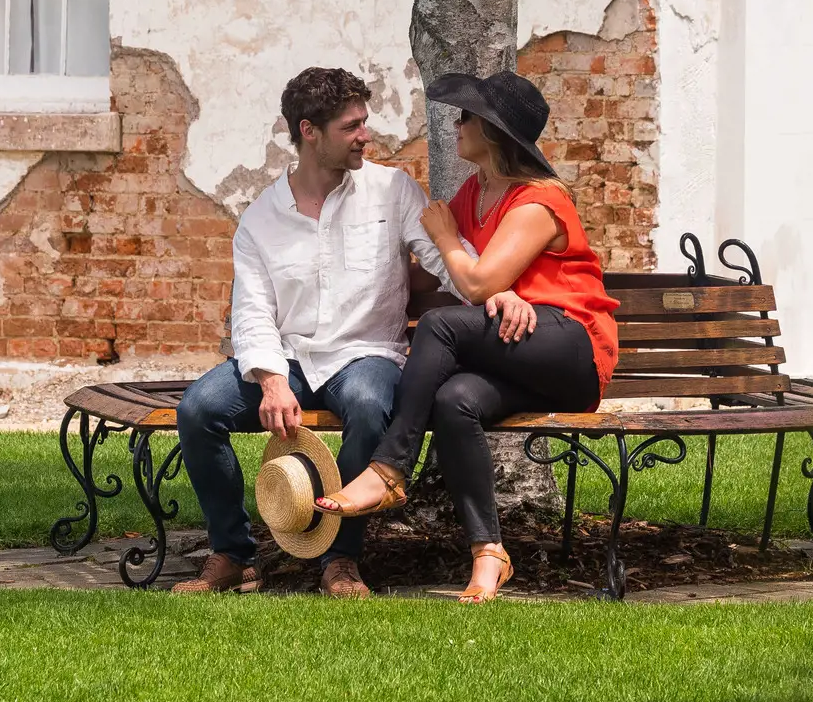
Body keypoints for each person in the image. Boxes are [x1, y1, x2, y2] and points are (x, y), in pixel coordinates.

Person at [313, 69, 615, 602]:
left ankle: (388, 468)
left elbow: (475, 282)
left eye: (468, 116)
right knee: (455, 401)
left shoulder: (539, 200)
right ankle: (488, 556)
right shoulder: (473, 193)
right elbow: (431, 275)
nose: (456, 124)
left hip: (571, 348)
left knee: (439, 324)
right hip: (517, 352)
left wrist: (450, 238)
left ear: (494, 132)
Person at [171, 66, 445, 596]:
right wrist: (272, 380)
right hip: (289, 358)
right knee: (199, 409)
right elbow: (251, 312)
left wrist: (491, 290)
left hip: (367, 353)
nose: (366, 135)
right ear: (309, 132)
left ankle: (340, 560)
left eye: (364, 122)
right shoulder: (261, 219)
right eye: (352, 126)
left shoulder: (392, 191)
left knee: (368, 403)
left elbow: (441, 256)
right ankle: (232, 554)